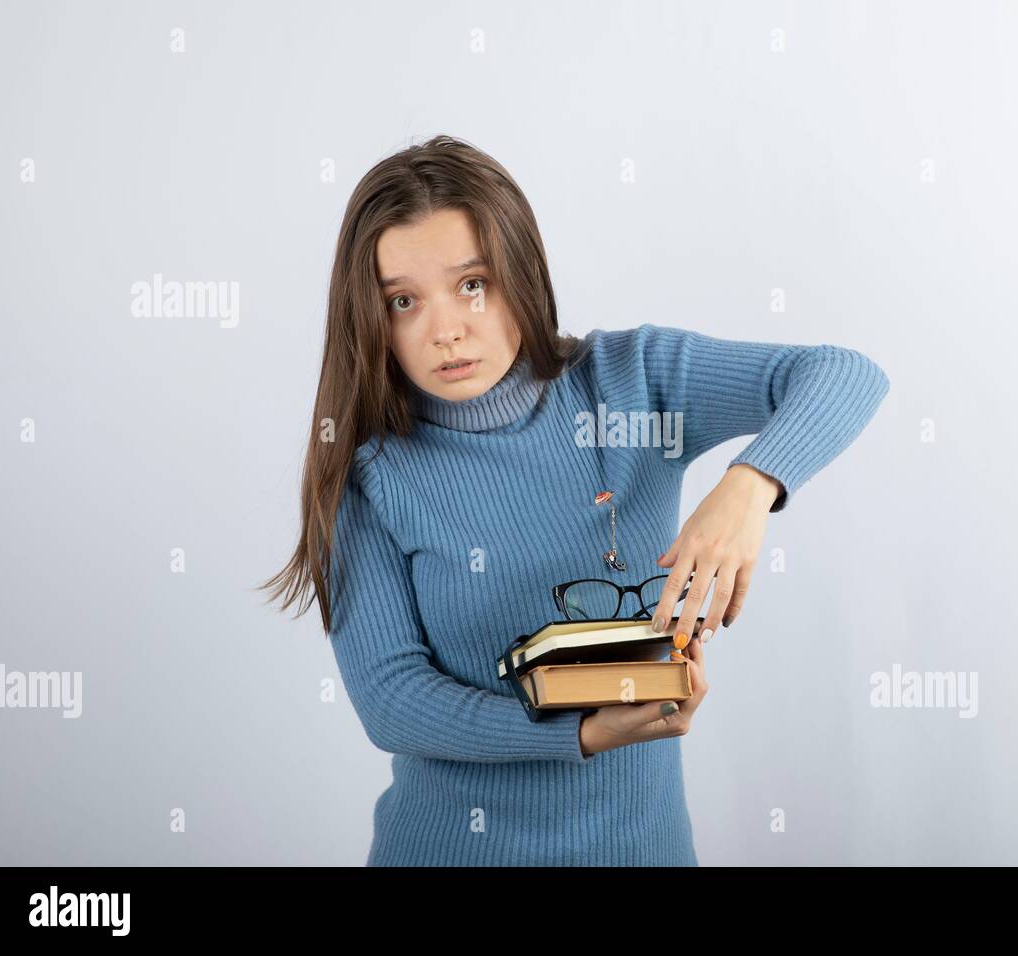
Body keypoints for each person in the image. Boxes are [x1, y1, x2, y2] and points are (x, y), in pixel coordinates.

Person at [260, 134, 890, 866]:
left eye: (473, 284)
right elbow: (394, 701)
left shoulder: (635, 383)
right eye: (403, 301)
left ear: (521, 272)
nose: (445, 330)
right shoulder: (371, 469)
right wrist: (580, 734)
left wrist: (749, 488)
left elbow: (846, 373)